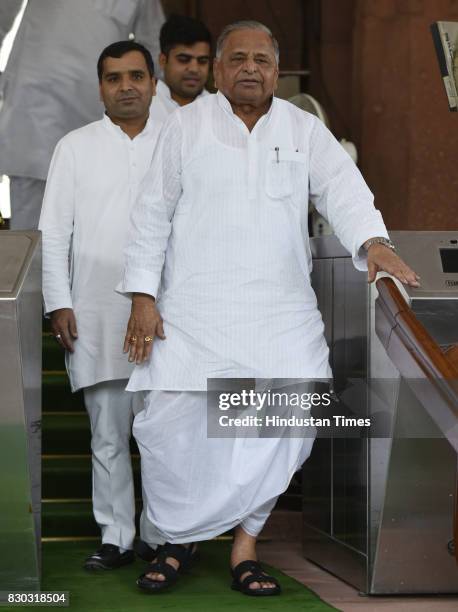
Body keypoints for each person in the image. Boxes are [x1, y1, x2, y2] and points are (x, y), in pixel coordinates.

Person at [119, 20, 420, 596]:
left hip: (280, 312)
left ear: (277, 71)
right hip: (193, 311)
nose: (250, 68)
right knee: (176, 428)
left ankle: (245, 547)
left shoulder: (304, 129)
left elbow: (344, 189)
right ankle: (176, 542)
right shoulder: (184, 125)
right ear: (218, 69)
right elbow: (151, 213)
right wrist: (142, 296)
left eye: (261, 59)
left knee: (285, 419)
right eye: (237, 59)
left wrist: (373, 241)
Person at [39, 40, 163, 571]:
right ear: (100, 88)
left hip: (166, 312)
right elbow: (51, 232)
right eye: (114, 78)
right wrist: (57, 302)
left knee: (162, 433)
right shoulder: (74, 146)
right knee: (107, 434)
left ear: (154, 84)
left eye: (136, 76)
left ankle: (164, 537)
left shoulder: (177, 141)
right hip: (93, 307)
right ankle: (116, 536)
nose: (126, 86)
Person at [0, 0, 164, 230]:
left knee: (95, 232)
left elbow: (154, 48)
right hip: (34, 107)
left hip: (97, 115)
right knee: (33, 237)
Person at [150, 14, 211, 121]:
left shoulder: (219, 109)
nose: (194, 69)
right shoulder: (143, 106)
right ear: (163, 61)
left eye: (202, 61)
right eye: (184, 59)